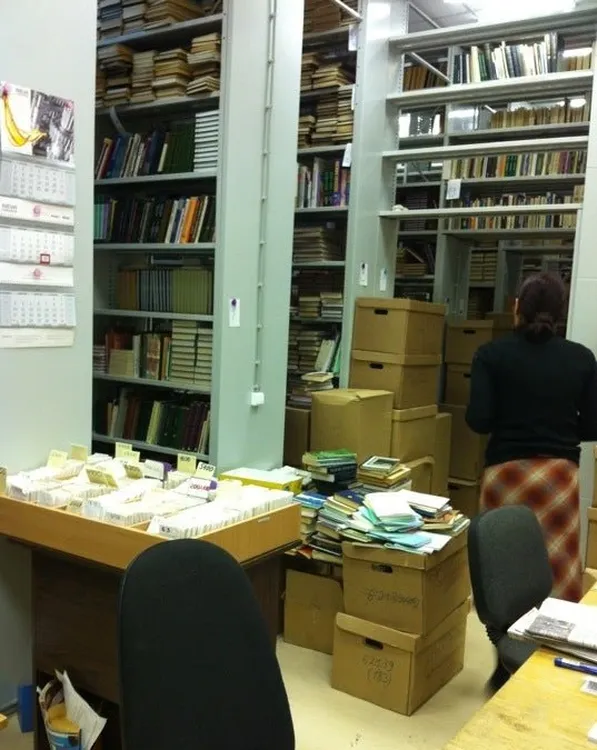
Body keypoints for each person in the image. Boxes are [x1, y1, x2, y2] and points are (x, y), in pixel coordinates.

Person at [466, 272, 597, 688]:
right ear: (560, 313)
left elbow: (478, 420)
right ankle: (551, 672)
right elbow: (593, 426)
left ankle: (503, 667)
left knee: (503, 574)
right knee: (556, 574)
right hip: (559, 478)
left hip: (505, 475)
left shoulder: (491, 355)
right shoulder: (582, 359)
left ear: (516, 308)